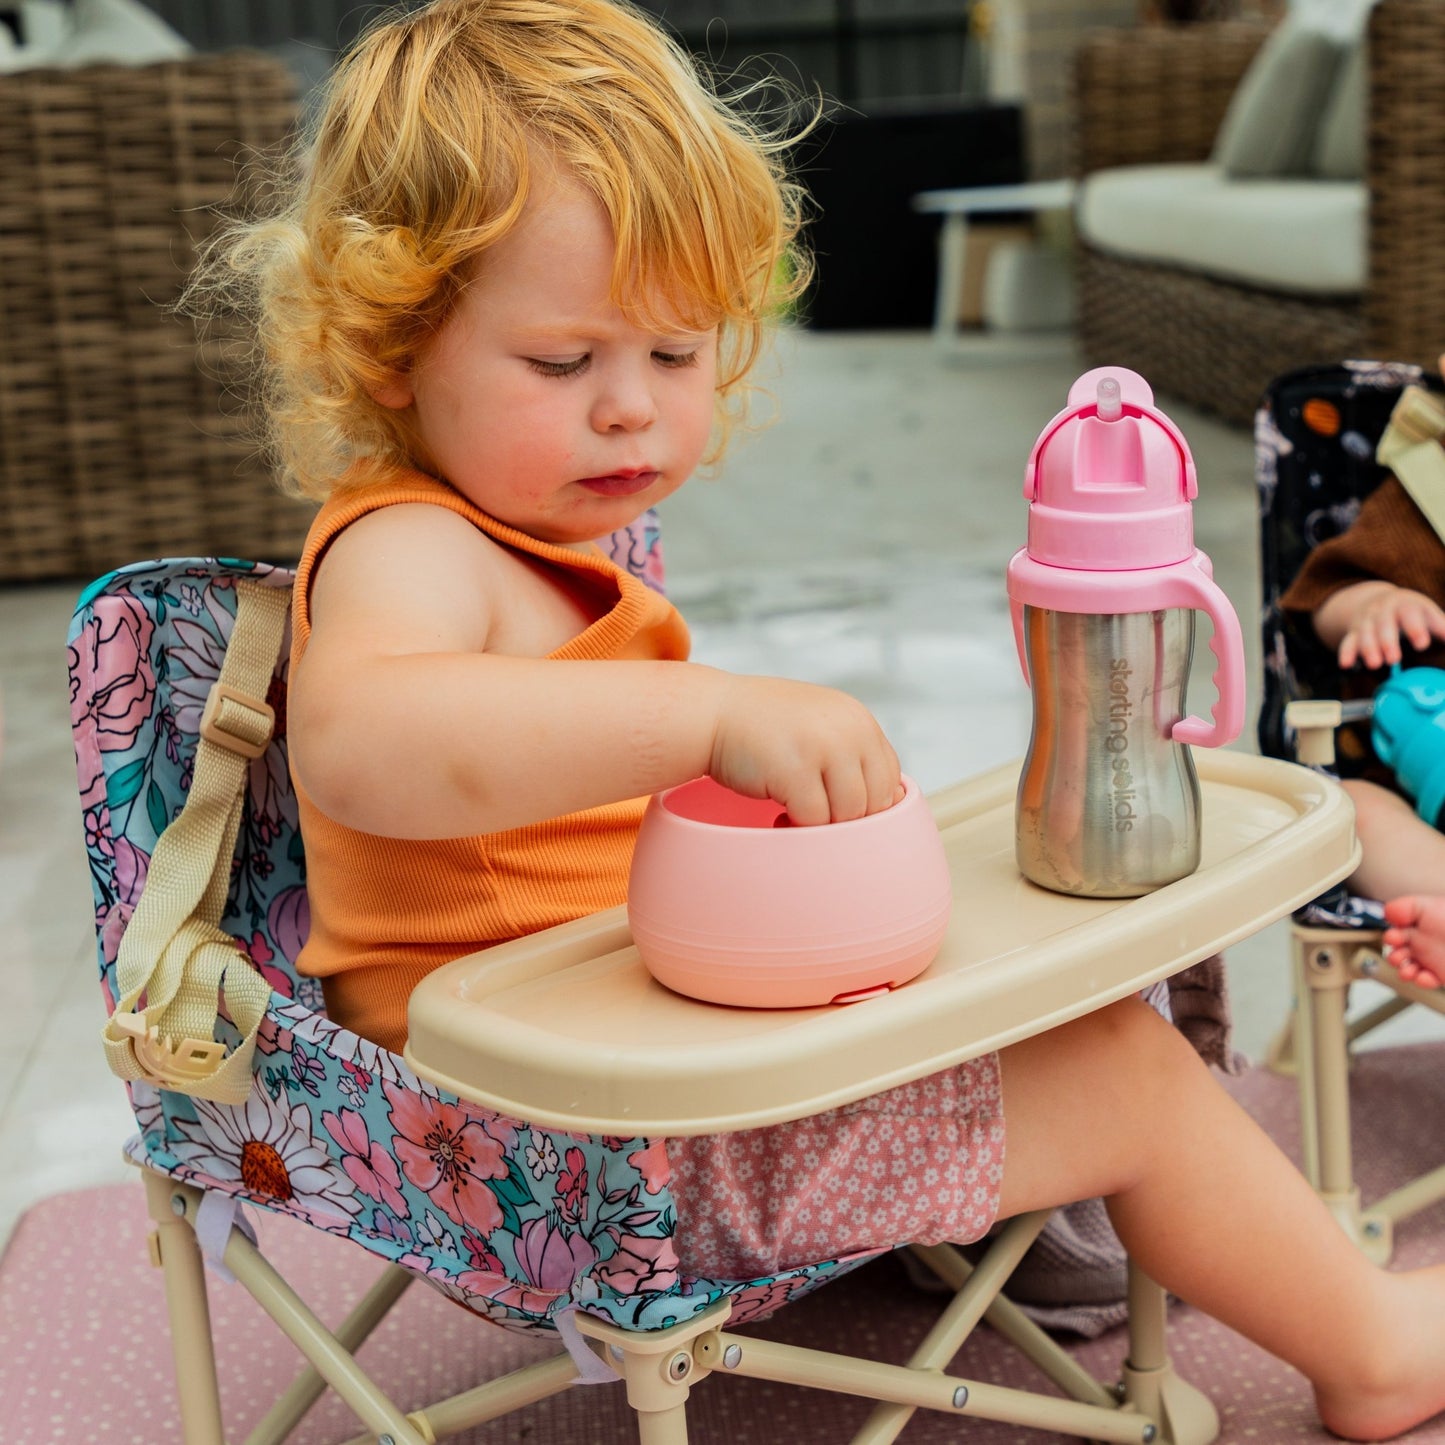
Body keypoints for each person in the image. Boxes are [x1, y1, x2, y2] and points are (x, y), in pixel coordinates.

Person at [193, 1, 1445, 1435]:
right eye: (563, 363)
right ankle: (1372, 1346)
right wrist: (703, 713)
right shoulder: (410, 549)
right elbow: (366, 742)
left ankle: (1012, 1209)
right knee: (1117, 1067)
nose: (631, 414)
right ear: (392, 348)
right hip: (556, 1156)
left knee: (1034, 951)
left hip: (635, 1065)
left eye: (675, 356)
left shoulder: (553, 547)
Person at [1281, 374, 1445, 990]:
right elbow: (1324, 595)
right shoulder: (1430, 495)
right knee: (1354, 815)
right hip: (1427, 787)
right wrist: (1375, 603)